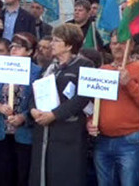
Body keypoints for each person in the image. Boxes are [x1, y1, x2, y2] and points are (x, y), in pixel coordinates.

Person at [29, 23, 94, 186]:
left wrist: (54, 115)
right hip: (43, 131)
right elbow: (35, 90)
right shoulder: (49, 66)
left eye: (57, 40)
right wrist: (32, 109)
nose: (52, 44)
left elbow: (82, 98)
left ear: (69, 45)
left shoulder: (84, 65)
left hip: (67, 132)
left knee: (64, 176)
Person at [86, 32, 139, 186]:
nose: (117, 46)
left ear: (132, 46)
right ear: (109, 46)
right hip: (102, 140)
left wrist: (129, 83)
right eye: (114, 43)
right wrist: (90, 121)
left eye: (122, 43)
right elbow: (92, 104)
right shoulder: (102, 70)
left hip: (129, 140)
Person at [0, 33, 42, 186]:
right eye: (12, 46)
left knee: (22, 174)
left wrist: (24, 116)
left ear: (29, 52)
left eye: (19, 47)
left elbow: (39, 100)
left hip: (24, 132)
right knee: (3, 173)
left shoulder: (37, 72)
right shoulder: (0, 67)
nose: (13, 50)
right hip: (1, 130)